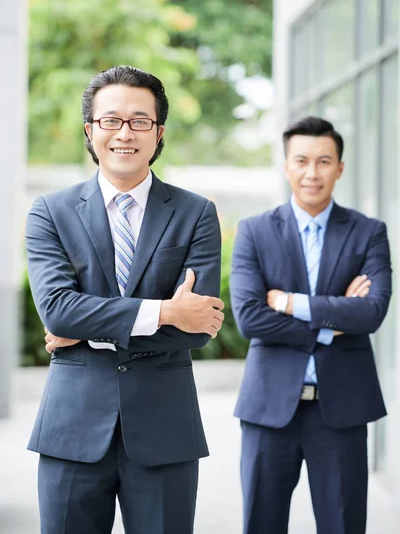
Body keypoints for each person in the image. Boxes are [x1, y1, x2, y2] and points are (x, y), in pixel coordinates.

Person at [25, 65, 224, 534]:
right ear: (90, 131)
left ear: (159, 134)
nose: (124, 133)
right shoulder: (50, 212)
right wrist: (165, 310)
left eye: (140, 121)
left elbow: (199, 327)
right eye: (111, 120)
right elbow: (56, 309)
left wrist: (85, 326)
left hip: (164, 427)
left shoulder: (196, 213)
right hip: (71, 426)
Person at [230, 116, 392, 534]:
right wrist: (331, 320)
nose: (312, 172)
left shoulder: (369, 232)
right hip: (269, 410)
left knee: (343, 525)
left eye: (324, 161)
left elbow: (371, 312)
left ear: (340, 168)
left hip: (340, 410)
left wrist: (288, 302)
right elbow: (249, 318)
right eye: (301, 160)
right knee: (261, 524)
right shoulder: (254, 231)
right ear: (286, 165)